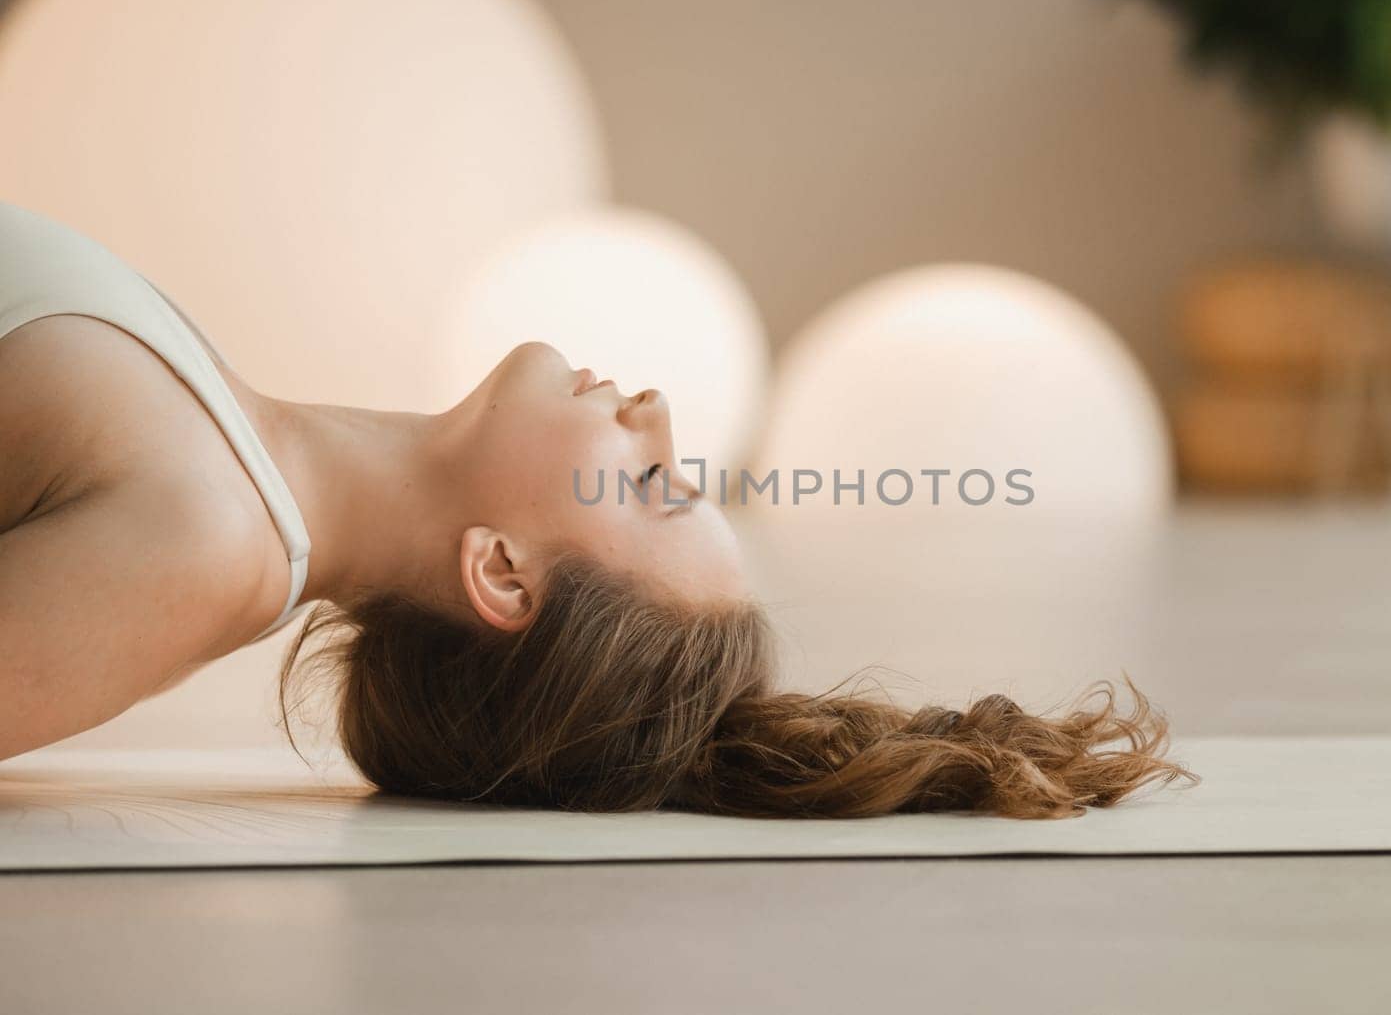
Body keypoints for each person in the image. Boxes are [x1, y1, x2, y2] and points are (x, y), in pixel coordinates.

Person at [0, 201, 1189, 817]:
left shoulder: (205, 548)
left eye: (652, 487)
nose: (661, 412)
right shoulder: (231, 454)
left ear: (504, 575)